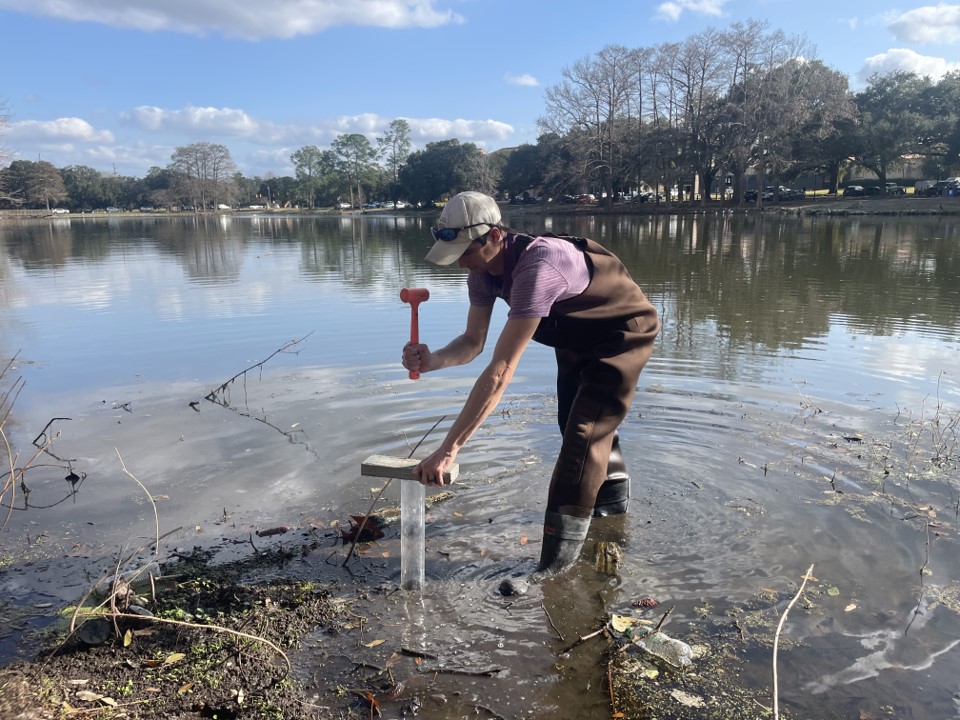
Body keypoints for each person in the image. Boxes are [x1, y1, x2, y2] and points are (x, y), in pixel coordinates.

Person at [401, 191, 659, 594]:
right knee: (573, 423)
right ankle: (610, 510)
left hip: (622, 333)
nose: (461, 263)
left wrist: (450, 448)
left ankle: (554, 564)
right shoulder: (481, 272)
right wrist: (432, 359)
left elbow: (501, 371)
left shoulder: (539, 267)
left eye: (465, 252)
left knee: (583, 434)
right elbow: (472, 341)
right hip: (576, 337)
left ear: (494, 237)